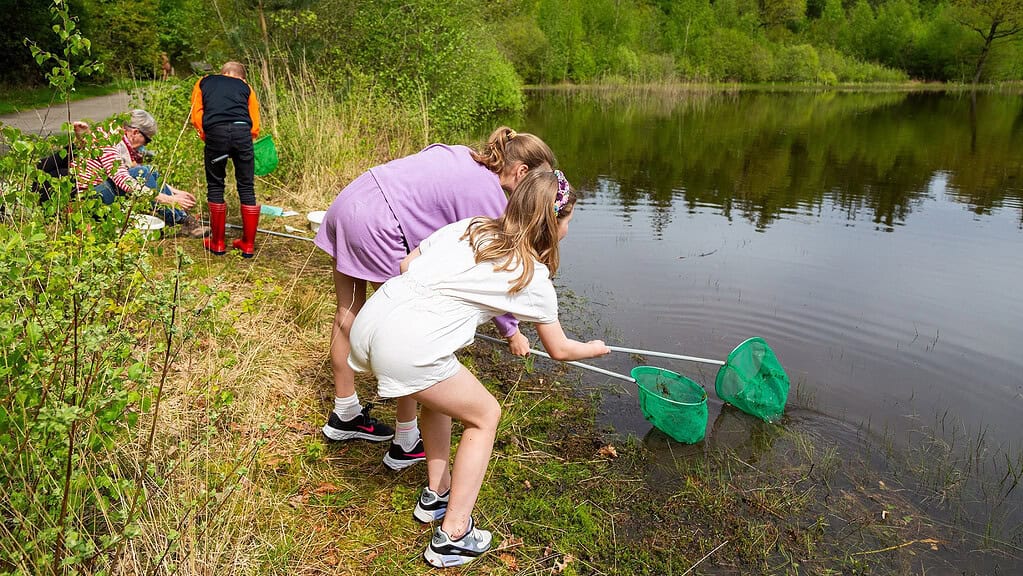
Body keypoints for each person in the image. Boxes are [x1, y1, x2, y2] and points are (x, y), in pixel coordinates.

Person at [348, 169, 610, 567]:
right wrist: (592, 348)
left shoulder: (472, 227)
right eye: (568, 220)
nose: (569, 229)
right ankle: (454, 533)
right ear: (550, 223)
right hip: (407, 347)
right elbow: (558, 348)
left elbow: (406, 264)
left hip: (373, 320)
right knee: (486, 415)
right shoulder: (531, 275)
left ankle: (437, 495)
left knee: (439, 396)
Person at [313, 127, 556, 471]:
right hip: (378, 224)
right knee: (402, 327)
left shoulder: (462, 154)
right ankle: (406, 440)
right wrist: (512, 332)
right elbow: (499, 266)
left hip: (348, 202)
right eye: (536, 185)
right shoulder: (489, 195)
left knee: (347, 311)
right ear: (522, 173)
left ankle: (345, 413)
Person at [71, 110, 209, 238]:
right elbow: (123, 180)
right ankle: (182, 219)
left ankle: (183, 218)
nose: (146, 145)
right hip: (88, 200)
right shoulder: (109, 140)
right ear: (135, 132)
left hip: (97, 192)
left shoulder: (117, 139)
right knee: (142, 172)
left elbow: (140, 175)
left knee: (148, 171)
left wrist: (174, 192)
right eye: (147, 140)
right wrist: (168, 199)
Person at [190, 60, 262, 258]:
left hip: (216, 133)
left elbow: (197, 115)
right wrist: (246, 139)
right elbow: (254, 122)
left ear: (222, 73)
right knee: (246, 186)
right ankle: (247, 245)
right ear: (242, 77)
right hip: (242, 133)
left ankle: (217, 243)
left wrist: (208, 135)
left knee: (215, 185)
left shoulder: (204, 82)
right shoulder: (246, 87)